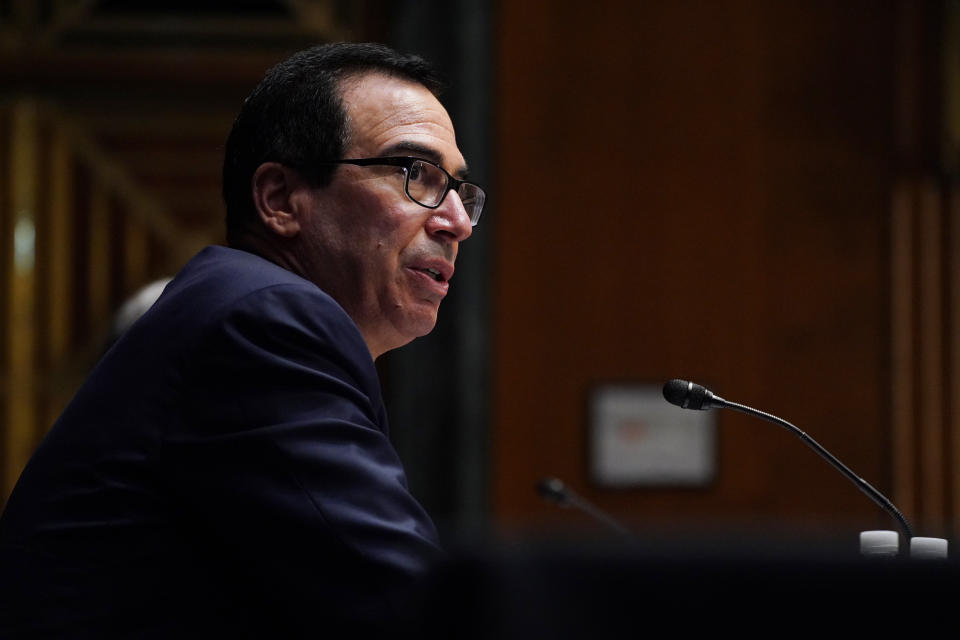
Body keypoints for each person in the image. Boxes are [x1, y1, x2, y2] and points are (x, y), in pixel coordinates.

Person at [0, 42, 485, 637]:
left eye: (462, 192)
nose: (456, 222)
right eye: (416, 174)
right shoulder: (265, 320)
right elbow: (407, 605)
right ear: (280, 200)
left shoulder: (249, 313)